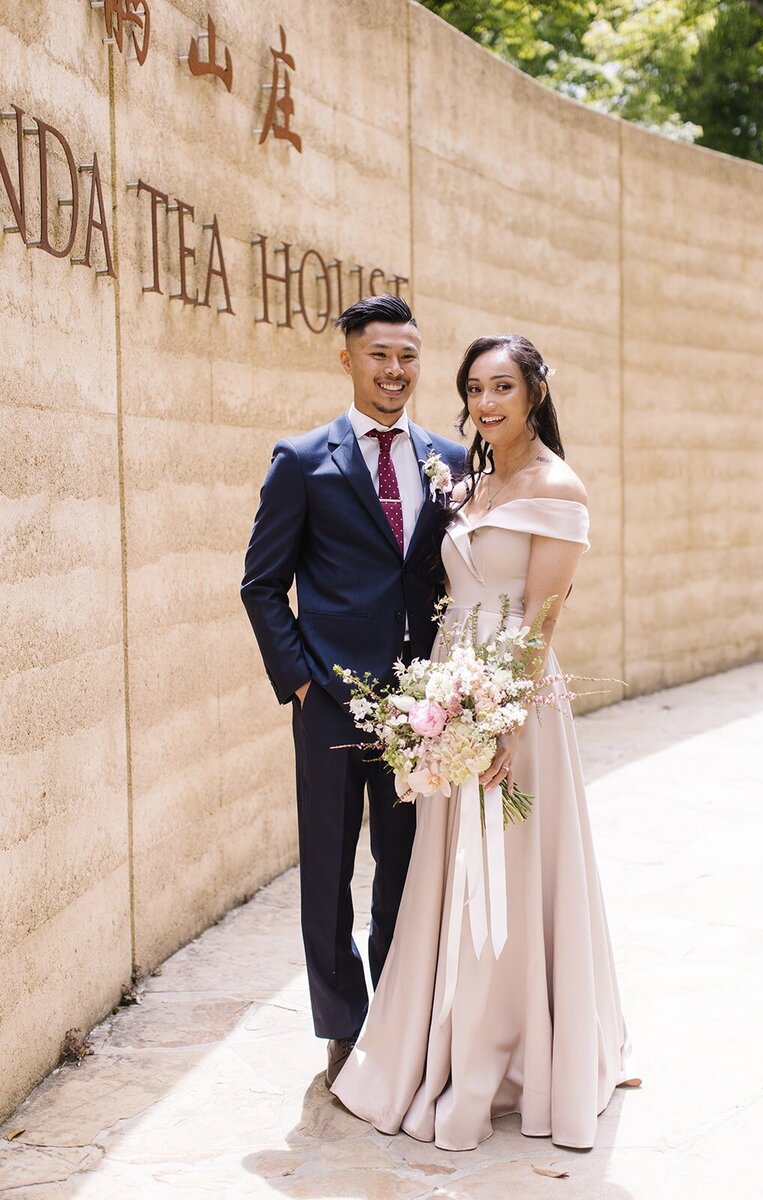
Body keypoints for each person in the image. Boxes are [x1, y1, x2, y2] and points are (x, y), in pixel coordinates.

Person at [332, 333, 640, 1150]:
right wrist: (437, 704)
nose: (486, 402)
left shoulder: (558, 487)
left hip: (515, 700)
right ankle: (441, 1038)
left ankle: (512, 1048)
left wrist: (503, 721)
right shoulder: (470, 484)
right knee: (450, 865)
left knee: (511, 863)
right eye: (474, 388)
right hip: (449, 689)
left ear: (535, 391)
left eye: (502, 386)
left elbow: (541, 621)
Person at [240, 295, 467, 1089]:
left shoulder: (451, 460)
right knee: (328, 869)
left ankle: (398, 1023)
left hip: (424, 708)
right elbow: (261, 585)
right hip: (331, 704)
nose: (395, 370)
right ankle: (342, 1027)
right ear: (348, 359)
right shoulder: (304, 461)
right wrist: (303, 683)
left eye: (407, 355)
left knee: (406, 868)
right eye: (379, 355)